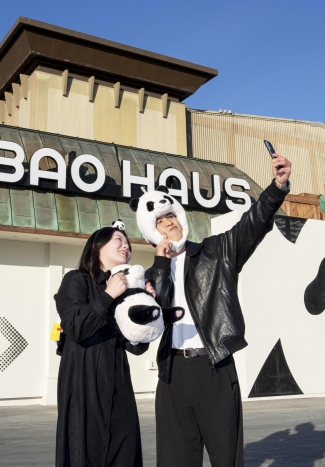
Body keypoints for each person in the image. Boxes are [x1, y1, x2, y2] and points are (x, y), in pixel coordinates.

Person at [144, 153, 292, 466]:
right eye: (160, 221)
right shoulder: (150, 275)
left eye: (171, 216)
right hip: (172, 373)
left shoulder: (216, 250)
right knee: (174, 460)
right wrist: (162, 262)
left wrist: (278, 187)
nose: (169, 222)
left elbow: (252, 225)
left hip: (213, 365)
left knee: (226, 457)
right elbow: (154, 316)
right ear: (151, 232)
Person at [55, 223, 153, 467]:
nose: (126, 245)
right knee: (84, 453)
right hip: (83, 385)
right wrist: (108, 294)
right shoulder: (76, 280)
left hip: (118, 385)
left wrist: (146, 309)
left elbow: (137, 347)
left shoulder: (127, 293)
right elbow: (76, 327)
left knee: (124, 453)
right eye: (118, 239)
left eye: (128, 242)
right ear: (97, 246)